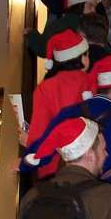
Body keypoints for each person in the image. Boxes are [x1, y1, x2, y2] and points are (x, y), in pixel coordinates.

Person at [22, 55, 111, 208]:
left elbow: (43, 148)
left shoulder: (70, 111)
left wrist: (23, 164)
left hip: (70, 200)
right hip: (109, 204)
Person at [26, 30, 92, 178]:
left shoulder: (45, 87)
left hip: (53, 168)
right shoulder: (91, 82)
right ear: (81, 57)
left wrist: (29, 148)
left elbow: (38, 131)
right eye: (87, 54)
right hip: (87, 165)